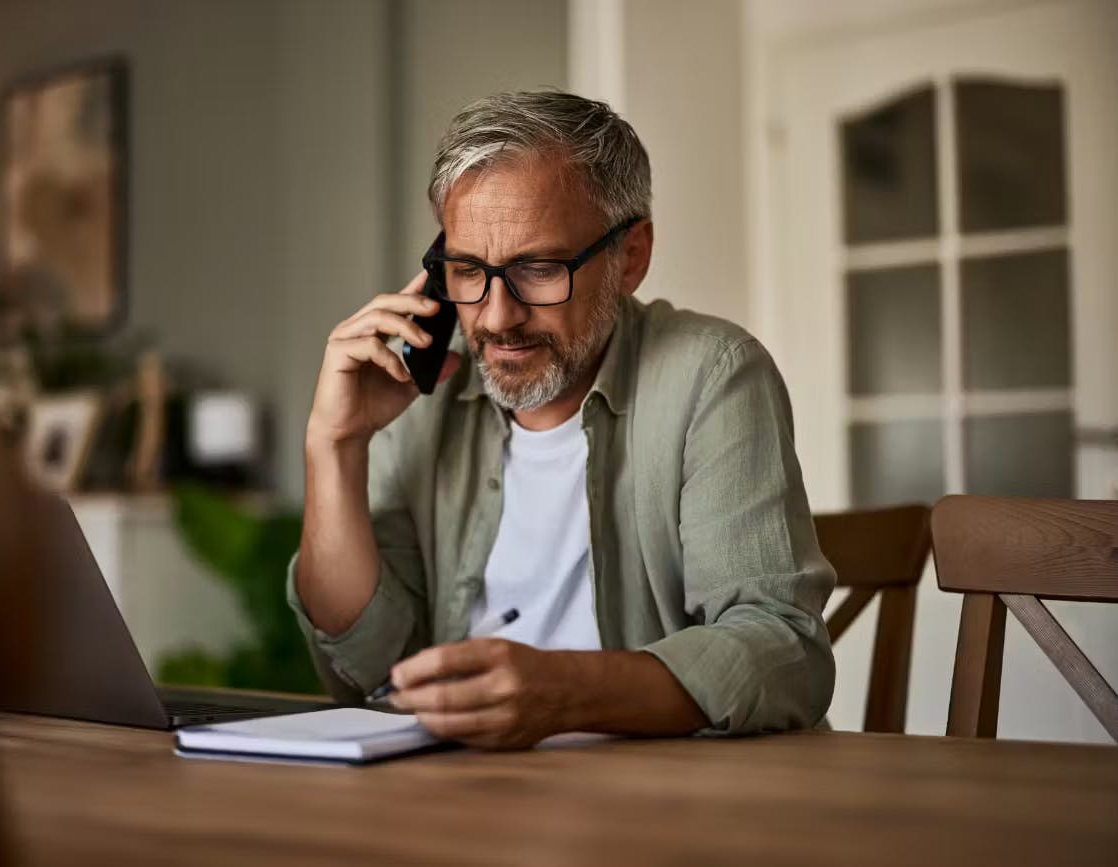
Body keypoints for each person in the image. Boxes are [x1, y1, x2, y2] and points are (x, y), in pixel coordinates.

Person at [290, 90, 834, 749]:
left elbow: (783, 649)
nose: (495, 317)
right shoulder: (420, 389)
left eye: (538, 269)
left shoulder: (712, 374)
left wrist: (566, 693)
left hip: (663, 806)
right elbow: (372, 670)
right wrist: (336, 444)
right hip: (455, 793)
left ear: (631, 256)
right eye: (467, 270)